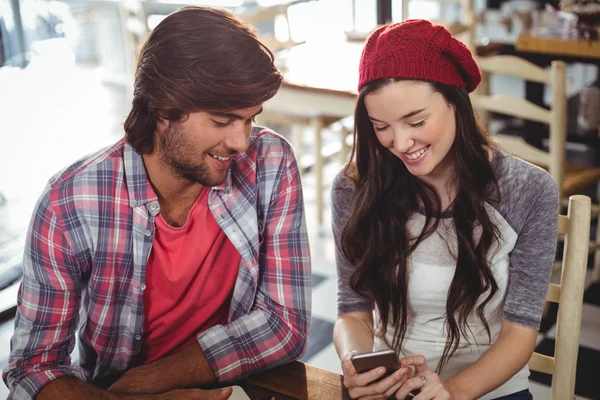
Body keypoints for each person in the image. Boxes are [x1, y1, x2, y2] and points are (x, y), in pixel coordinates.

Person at [3, 6, 311, 400]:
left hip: (237, 387)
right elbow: (34, 369)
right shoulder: (69, 204)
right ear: (163, 110)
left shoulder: (271, 161)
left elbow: (286, 324)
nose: (242, 141)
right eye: (222, 121)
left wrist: (156, 380)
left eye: (250, 119)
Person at [332, 20, 558, 400]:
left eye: (416, 121)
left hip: (488, 390)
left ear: (456, 103)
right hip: (393, 389)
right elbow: (353, 312)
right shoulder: (355, 187)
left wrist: (452, 392)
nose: (401, 143)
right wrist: (358, 361)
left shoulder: (529, 190)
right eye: (380, 127)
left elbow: (520, 333)